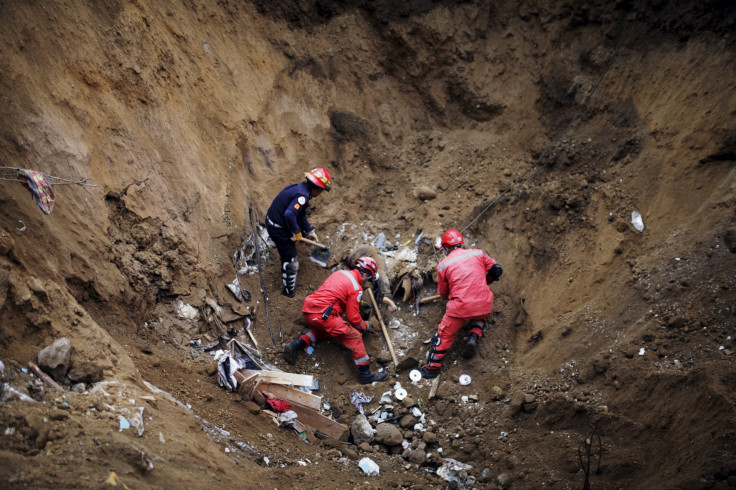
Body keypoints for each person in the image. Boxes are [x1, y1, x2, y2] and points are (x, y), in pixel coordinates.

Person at [284, 257, 389, 384]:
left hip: (310, 310)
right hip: (324, 314)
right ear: (365, 274)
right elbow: (353, 318)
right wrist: (366, 326)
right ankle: (366, 375)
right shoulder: (356, 287)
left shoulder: (340, 273)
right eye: (368, 279)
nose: (367, 282)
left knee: (325, 331)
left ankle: (296, 344)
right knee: (354, 337)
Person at [421, 229, 503, 379]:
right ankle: (474, 335)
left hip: (461, 307)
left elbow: (443, 293)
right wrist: (486, 281)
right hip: (484, 301)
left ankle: (431, 369)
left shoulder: (443, 266)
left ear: (445, 248)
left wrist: (453, 292)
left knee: (443, 336)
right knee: (480, 313)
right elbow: (497, 270)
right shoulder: (478, 253)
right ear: (460, 243)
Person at [266, 168, 331, 298]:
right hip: (277, 228)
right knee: (291, 262)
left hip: (274, 220)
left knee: (295, 242)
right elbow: (289, 214)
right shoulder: (303, 196)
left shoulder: (300, 189)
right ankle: (287, 293)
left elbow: (300, 215)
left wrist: (309, 230)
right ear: (318, 189)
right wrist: (296, 231)